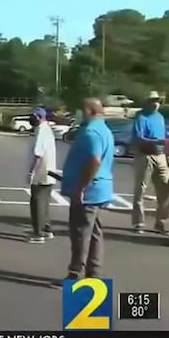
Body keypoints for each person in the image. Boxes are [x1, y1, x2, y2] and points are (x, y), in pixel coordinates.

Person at [56, 98, 114, 285]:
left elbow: (94, 160)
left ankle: (75, 274)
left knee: (81, 233)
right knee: (95, 232)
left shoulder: (91, 132)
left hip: (88, 191)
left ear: (89, 110)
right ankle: (94, 273)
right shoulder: (104, 129)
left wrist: (80, 187)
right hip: (100, 189)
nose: (79, 114)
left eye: (81, 110)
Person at [131, 91, 169, 235]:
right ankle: (138, 222)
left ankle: (161, 222)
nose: (156, 103)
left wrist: (166, 146)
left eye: (158, 101)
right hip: (145, 155)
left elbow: (164, 136)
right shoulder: (141, 117)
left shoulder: (160, 117)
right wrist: (155, 142)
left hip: (160, 155)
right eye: (153, 100)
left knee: (165, 189)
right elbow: (138, 137)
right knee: (141, 189)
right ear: (147, 102)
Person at [27, 107, 57, 243]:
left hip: (41, 172)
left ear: (38, 117)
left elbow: (38, 154)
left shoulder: (41, 131)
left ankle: (37, 233)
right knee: (45, 201)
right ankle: (46, 228)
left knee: (37, 201)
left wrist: (31, 172)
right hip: (49, 171)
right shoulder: (47, 129)